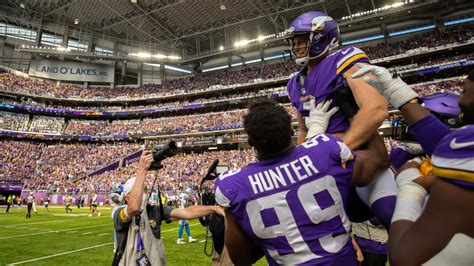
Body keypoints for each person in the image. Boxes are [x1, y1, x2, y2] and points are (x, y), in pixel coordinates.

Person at [214, 100, 388, 265]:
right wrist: (355, 113)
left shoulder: (234, 185)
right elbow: (379, 159)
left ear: (250, 142)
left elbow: (241, 260)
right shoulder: (326, 150)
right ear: (291, 131)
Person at [351, 65, 474, 265]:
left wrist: (411, 188)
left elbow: (406, 257)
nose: (463, 84)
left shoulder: (459, 152)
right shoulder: (447, 151)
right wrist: (400, 95)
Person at [284, 11, 396, 229]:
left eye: (301, 40)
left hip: (361, 161)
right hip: (325, 175)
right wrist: (306, 161)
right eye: (294, 42)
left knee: (397, 223)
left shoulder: (344, 58)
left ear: (321, 38)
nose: (296, 46)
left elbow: (376, 108)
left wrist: (333, 151)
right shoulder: (293, 84)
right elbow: (303, 132)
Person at [113, 150, 224, 266]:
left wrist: (214, 208)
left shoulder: (154, 210)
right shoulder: (118, 214)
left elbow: (187, 212)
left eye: (145, 189)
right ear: (126, 198)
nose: (145, 193)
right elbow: (134, 208)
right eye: (141, 191)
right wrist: (142, 169)